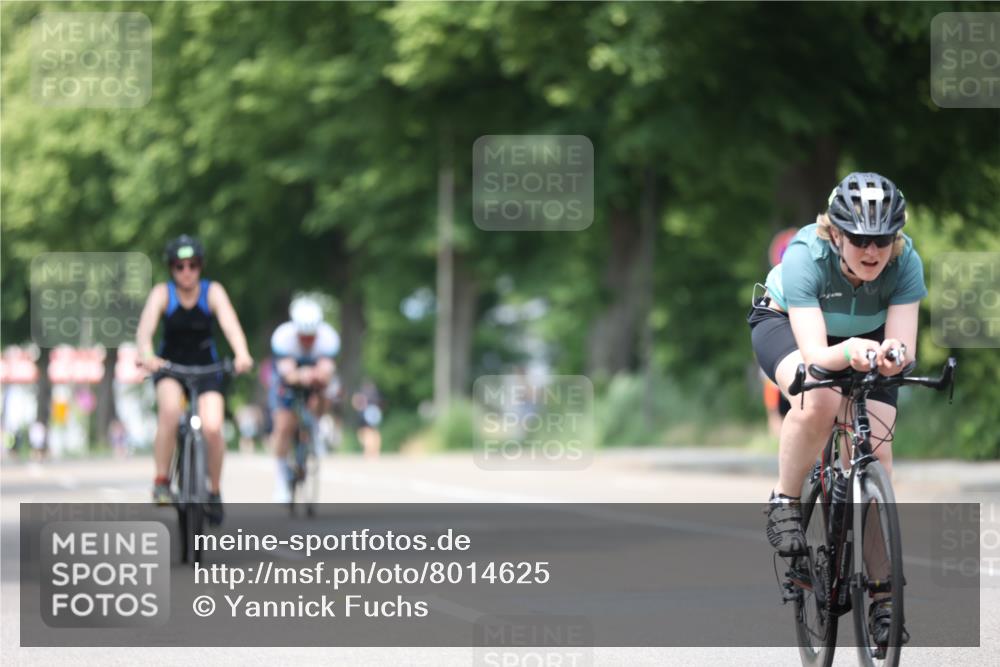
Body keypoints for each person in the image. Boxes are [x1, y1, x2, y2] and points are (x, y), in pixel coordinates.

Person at [747, 172, 924, 646]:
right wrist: (848, 353)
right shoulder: (806, 256)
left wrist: (893, 356)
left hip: (864, 339)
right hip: (788, 325)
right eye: (861, 240)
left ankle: (884, 597)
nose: (873, 251)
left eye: (883, 240)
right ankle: (785, 501)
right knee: (820, 398)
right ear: (837, 234)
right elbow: (813, 356)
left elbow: (903, 344)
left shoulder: (906, 263)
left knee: (877, 451)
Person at [136, 235, 253, 525]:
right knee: (170, 412)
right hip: (170, 367)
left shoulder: (212, 292)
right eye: (180, 266)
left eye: (193, 265)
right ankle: (162, 481)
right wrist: (147, 355)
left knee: (213, 427)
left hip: (206, 368)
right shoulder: (162, 294)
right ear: (171, 269)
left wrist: (242, 353)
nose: (187, 272)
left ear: (201, 266)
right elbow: (144, 331)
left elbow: (230, 323)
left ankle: (213, 491)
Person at [267, 296, 339, 502]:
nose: (307, 340)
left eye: (311, 336)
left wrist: (317, 376)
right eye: (303, 336)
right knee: (283, 426)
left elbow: (326, 370)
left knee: (326, 391)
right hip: (289, 378)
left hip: (313, 377)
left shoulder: (328, 337)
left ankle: (315, 427)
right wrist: (301, 375)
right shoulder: (283, 338)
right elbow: (287, 373)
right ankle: (281, 479)